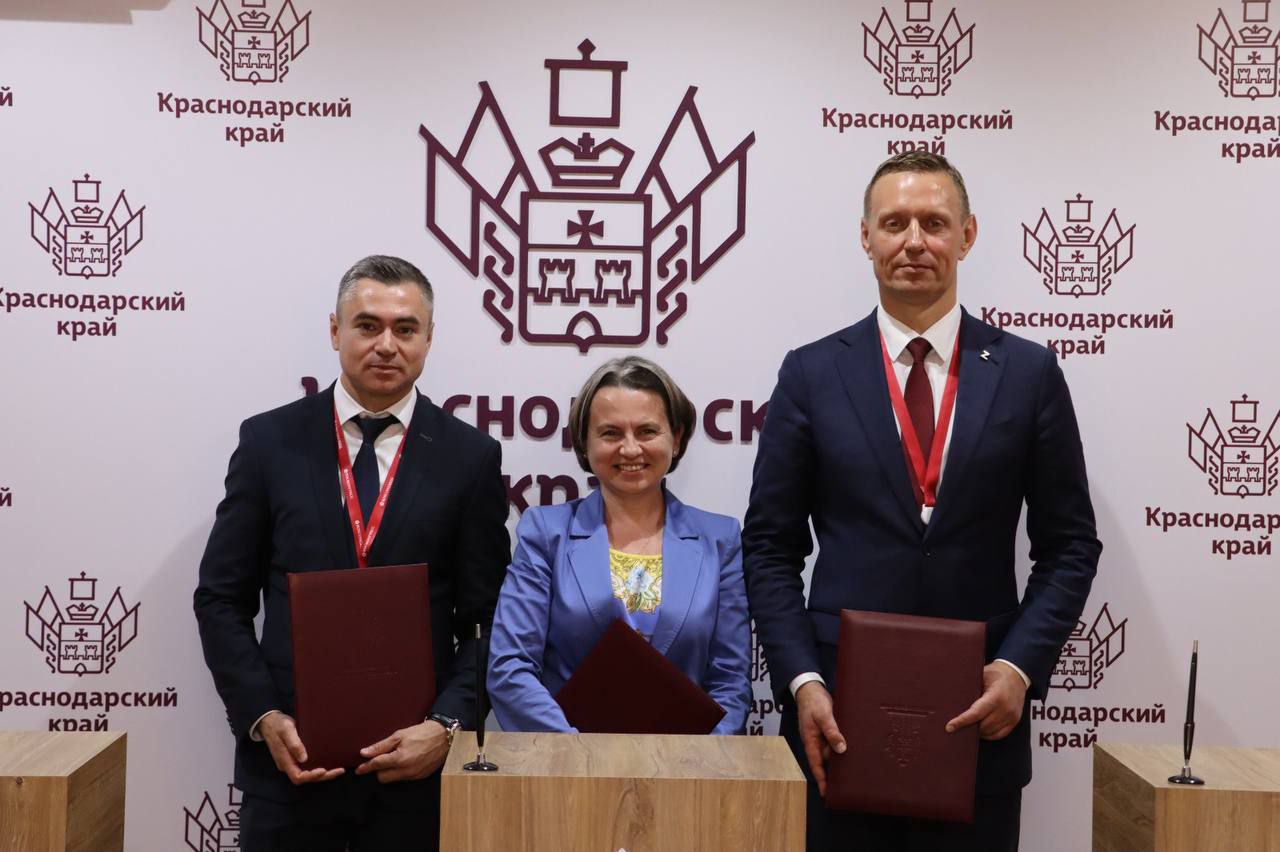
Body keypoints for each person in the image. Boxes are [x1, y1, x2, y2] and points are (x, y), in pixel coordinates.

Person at [743, 151, 1101, 851]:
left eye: (934, 223)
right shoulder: (812, 373)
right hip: (837, 724)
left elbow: (1070, 546)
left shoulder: (1028, 373)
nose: (914, 241)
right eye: (894, 223)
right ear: (866, 236)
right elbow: (768, 547)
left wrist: (1019, 668)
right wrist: (803, 681)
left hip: (980, 720)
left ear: (967, 236)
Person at [193, 255, 511, 852]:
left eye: (405, 328)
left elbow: (486, 620)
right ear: (335, 331)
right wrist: (262, 716)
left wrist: (445, 727)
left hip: (412, 780)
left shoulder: (469, 458)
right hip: (289, 770)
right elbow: (220, 599)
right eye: (368, 325)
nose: (386, 344)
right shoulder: (268, 442)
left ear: (429, 339)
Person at [487, 356, 751, 735]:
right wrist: (581, 754)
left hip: (689, 768)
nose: (630, 449)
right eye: (611, 433)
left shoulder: (720, 540)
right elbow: (510, 668)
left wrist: (691, 761)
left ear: (676, 438)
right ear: (584, 442)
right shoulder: (545, 534)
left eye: (647, 431)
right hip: (566, 763)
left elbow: (730, 681)